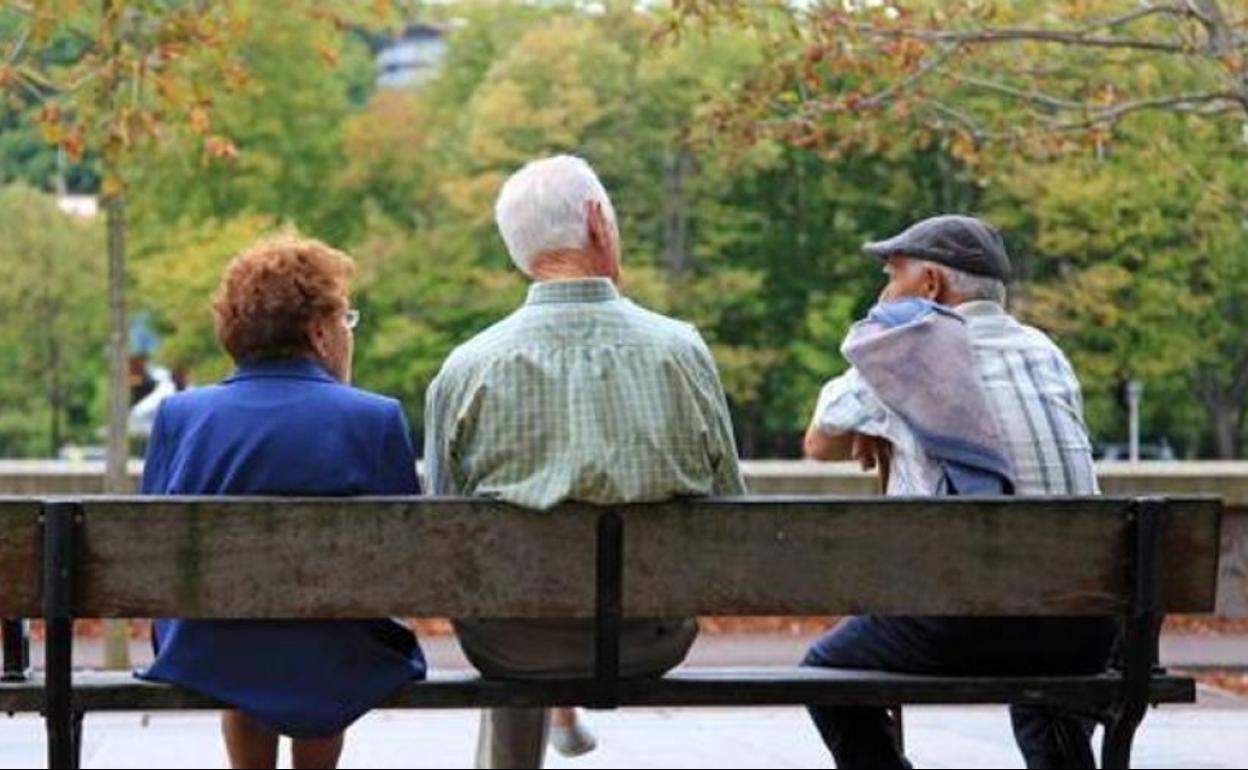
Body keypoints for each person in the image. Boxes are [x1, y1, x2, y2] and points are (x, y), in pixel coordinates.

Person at [424, 154, 746, 768]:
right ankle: (563, 717)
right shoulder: (682, 351)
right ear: (599, 222)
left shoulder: (466, 368)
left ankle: (546, 727)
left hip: (513, 644)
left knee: (517, 606)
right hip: (649, 638)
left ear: (518, 251)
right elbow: (733, 507)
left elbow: (446, 530)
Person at [802, 215, 1115, 769]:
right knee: (1046, 690)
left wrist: (876, 414)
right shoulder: (1045, 353)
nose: (885, 290)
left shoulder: (903, 351)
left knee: (825, 674)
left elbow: (819, 442)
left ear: (930, 284)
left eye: (893, 275)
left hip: (965, 626)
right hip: (1085, 627)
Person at [138, 236, 425, 770]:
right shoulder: (375, 418)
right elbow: (402, 562)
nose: (348, 332)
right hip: (337, 650)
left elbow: (155, 552)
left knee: (242, 637)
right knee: (326, 635)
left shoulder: (180, 416)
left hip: (209, 649)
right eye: (346, 320)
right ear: (319, 331)